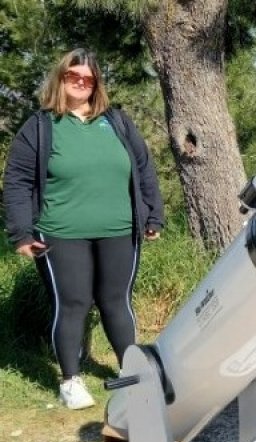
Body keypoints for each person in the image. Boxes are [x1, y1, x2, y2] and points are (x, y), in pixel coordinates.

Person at [2, 48, 164, 410]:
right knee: (73, 303)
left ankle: (132, 373)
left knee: (116, 302)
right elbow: (17, 181)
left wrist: (153, 215)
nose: (81, 82)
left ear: (96, 85)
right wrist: (22, 233)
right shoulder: (41, 126)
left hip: (120, 230)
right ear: (61, 78)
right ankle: (71, 380)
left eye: (88, 78)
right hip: (60, 232)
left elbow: (144, 168)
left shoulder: (117, 122)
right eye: (73, 75)